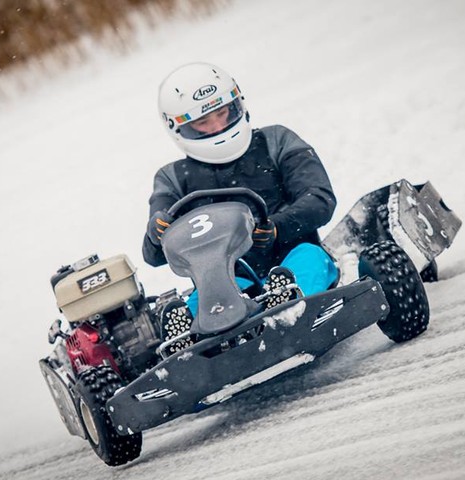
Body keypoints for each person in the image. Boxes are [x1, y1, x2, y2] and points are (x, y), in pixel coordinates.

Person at [143, 62, 338, 346]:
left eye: (222, 113)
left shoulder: (276, 140)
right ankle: (189, 340)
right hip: (225, 281)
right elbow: (154, 254)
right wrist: (156, 231)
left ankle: (286, 303)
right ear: (180, 127)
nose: (218, 126)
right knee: (199, 300)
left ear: (237, 103)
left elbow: (320, 198)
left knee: (308, 258)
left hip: (292, 254)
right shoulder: (173, 178)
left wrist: (276, 228)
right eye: (203, 122)